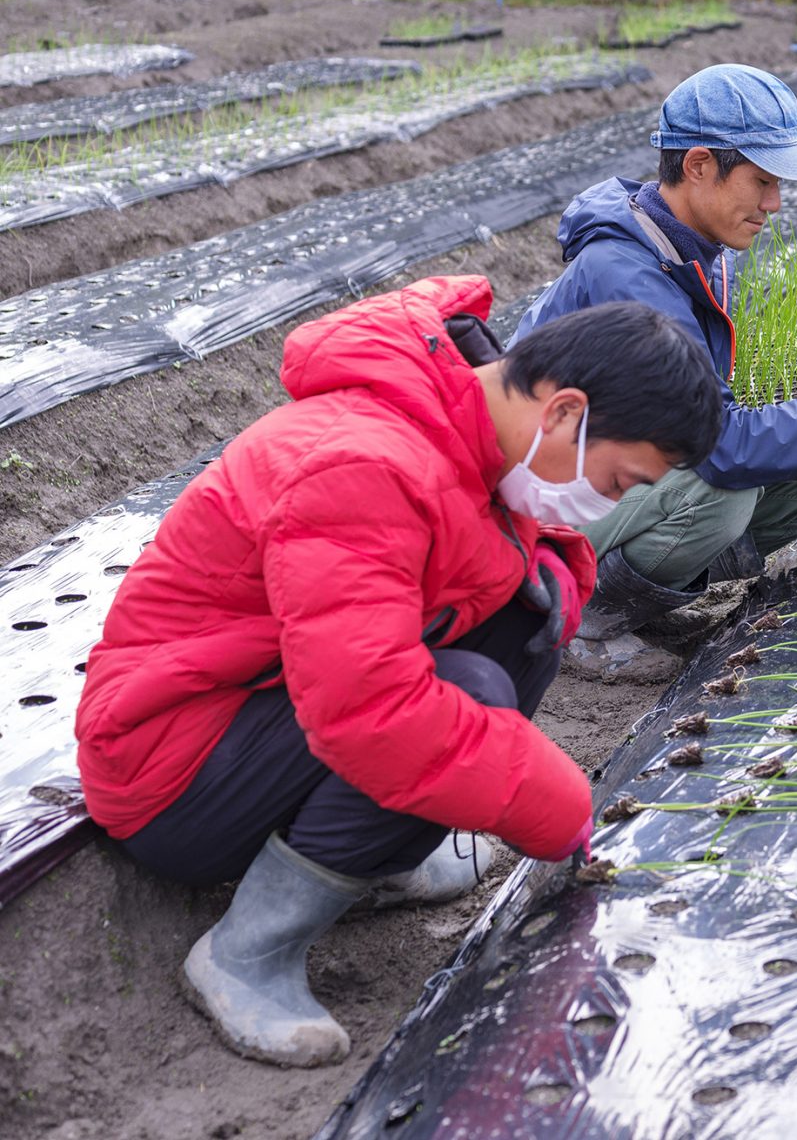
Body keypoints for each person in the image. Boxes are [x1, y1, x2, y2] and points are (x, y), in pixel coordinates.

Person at [75, 276, 722, 1068]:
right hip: (170, 767)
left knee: (527, 607)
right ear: (564, 413)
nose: (606, 501)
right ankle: (246, 953)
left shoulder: (465, 432)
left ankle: (379, 862)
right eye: (619, 481)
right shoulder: (362, 463)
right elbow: (368, 708)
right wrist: (548, 800)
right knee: (458, 699)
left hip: (261, 707)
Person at [513, 63, 797, 682]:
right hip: (532, 515)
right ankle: (583, 617)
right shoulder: (630, 273)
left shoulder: (691, 251)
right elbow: (717, 447)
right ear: (699, 165)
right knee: (720, 493)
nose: (774, 203)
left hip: (603, 472)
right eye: (760, 181)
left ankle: (643, 597)